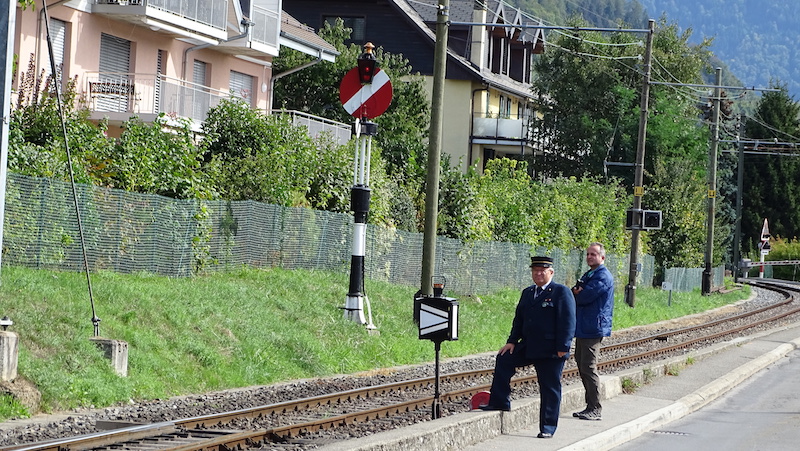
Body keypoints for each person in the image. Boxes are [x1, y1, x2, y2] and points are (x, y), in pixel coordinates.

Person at [480, 256, 576, 439]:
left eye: (542, 270)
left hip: (551, 350)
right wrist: (512, 341)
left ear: (551, 272)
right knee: (504, 359)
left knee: (549, 388)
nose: (538, 274)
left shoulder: (561, 292)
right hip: (529, 345)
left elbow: (568, 321)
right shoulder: (528, 292)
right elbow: (519, 320)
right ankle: (499, 401)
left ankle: (548, 426)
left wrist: (563, 346)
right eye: (535, 270)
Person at [571, 242, 615, 421]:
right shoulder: (590, 273)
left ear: (602, 257)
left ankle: (595, 408)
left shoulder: (602, 276)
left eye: (593, 254)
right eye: (588, 254)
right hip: (584, 325)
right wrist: (577, 291)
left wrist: (577, 292)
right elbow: (577, 291)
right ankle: (589, 405)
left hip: (593, 326)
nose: (589, 257)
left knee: (588, 366)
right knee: (581, 363)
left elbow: (584, 296)